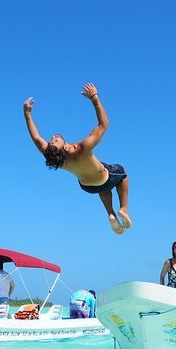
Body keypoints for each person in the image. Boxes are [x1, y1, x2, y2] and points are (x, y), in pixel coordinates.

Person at [23, 83, 132, 235]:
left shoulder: (55, 158)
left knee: (104, 187)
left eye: (52, 139)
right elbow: (103, 124)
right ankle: (123, 209)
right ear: (65, 147)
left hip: (87, 187)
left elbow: (35, 137)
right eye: (55, 140)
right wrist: (94, 98)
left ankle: (111, 214)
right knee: (121, 172)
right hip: (103, 177)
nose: (53, 137)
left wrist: (27, 114)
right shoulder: (83, 148)